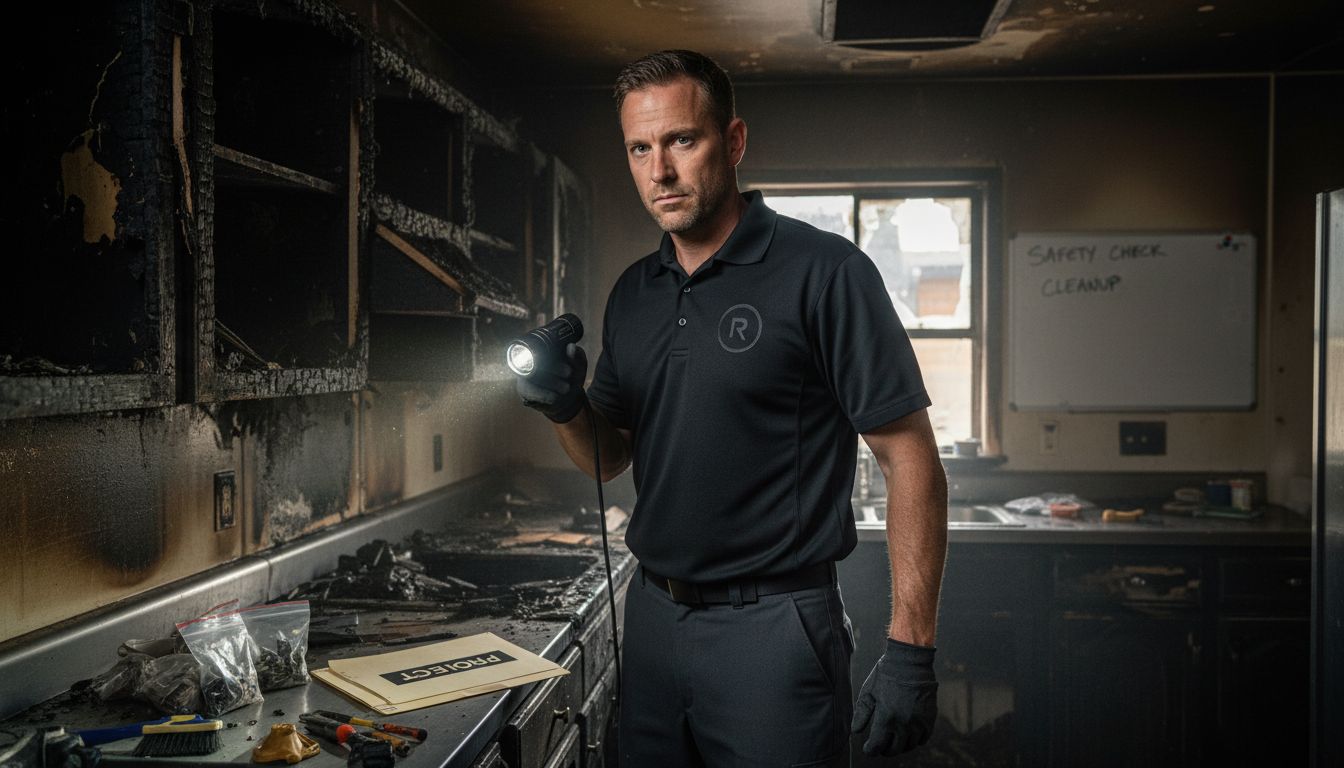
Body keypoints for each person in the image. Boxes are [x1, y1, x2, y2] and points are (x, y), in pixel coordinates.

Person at [516, 49, 948, 767]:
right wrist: (564, 407)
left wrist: (911, 647)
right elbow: (610, 454)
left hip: (774, 630)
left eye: (682, 140)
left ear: (734, 141)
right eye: (639, 148)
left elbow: (911, 458)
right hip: (652, 618)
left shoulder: (826, 273)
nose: (660, 171)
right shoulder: (635, 292)